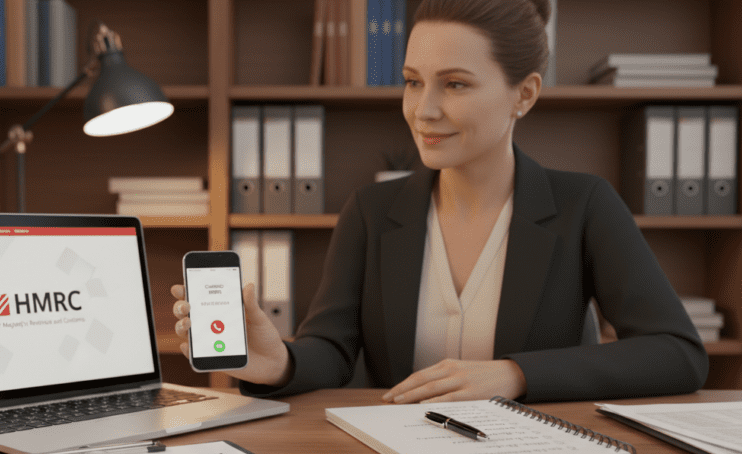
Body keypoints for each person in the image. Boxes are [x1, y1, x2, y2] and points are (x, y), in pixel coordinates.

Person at [172, 0, 708, 404]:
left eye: (454, 85)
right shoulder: (371, 211)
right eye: (412, 82)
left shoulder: (583, 204)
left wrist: (514, 374)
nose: (423, 110)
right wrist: (279, 361)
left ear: (524, 94)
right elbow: (332, 352)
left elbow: (678, 354)